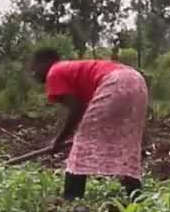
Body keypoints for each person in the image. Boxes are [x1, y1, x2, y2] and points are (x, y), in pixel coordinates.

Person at [29, 49, 150, 200]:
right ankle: (136, 197)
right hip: (136, 80)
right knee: (126, 145)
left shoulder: (54, 71)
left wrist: (59, 140)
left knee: (82, 144)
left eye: (34, 67)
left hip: (115, 82)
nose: (33, 72)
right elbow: (82, 107)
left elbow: (76, 108)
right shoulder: (71, 69)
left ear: (45, 63)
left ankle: (72, 198)